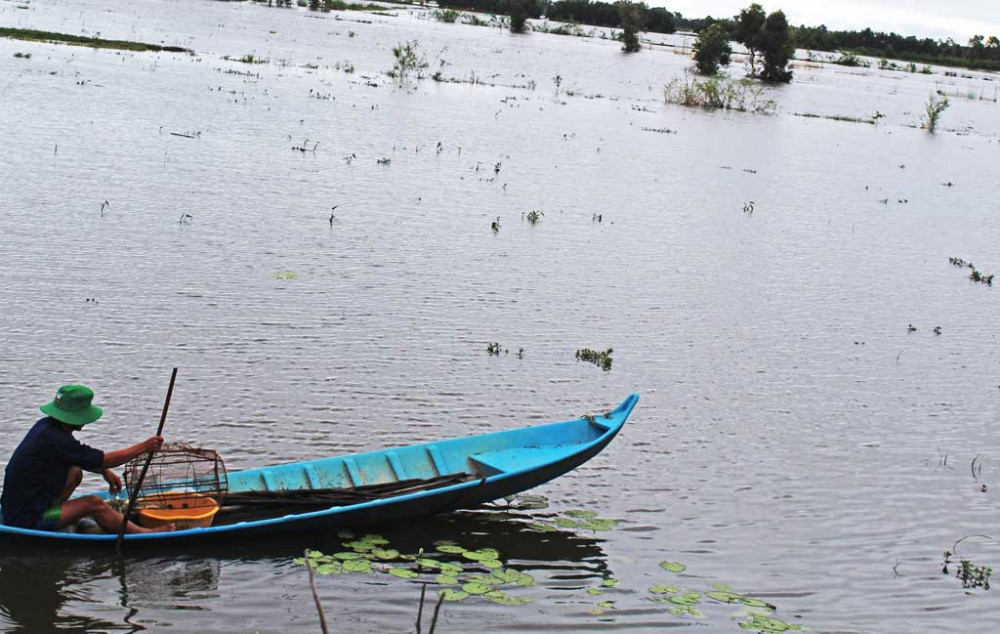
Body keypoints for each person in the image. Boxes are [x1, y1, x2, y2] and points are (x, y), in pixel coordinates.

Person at [1, 384, 174, 534]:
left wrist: (105, 472)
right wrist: (144, 447)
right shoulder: (57, 439)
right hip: (26, 518)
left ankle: (62, 513)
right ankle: (143, 532)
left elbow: (78, 457)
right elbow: (103, 459)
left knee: (75, 471)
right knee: (94, 504)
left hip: (19, 505)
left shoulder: (47, 426)